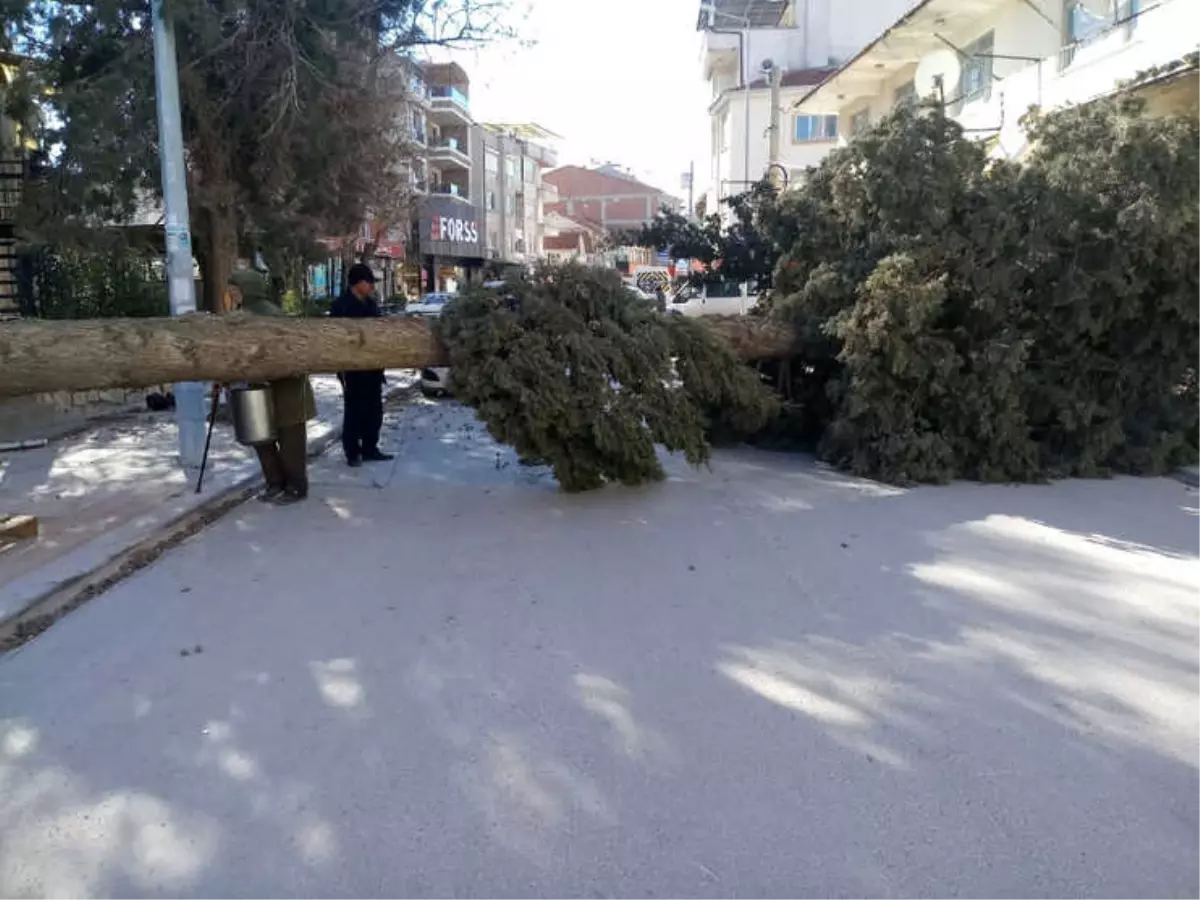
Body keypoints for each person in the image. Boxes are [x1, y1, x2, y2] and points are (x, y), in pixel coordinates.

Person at [228, 270, 317, 505]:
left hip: (289, 392)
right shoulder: (239, 317)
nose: (232, 295)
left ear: (248, 290)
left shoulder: (273, 316)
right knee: (262, 440)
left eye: (236, 290)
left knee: (290, 445)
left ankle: (296, 487)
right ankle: (275, 483)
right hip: (259, 391)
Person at [330, 263, 394, 468]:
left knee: (374, 411)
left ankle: (370, 448)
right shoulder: (341, 306)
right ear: (358, 283)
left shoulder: (371, 304)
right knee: (354, 411)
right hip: (352, 370)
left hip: (373, 368)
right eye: (369, 282)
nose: (372, 287)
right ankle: (352, 452)